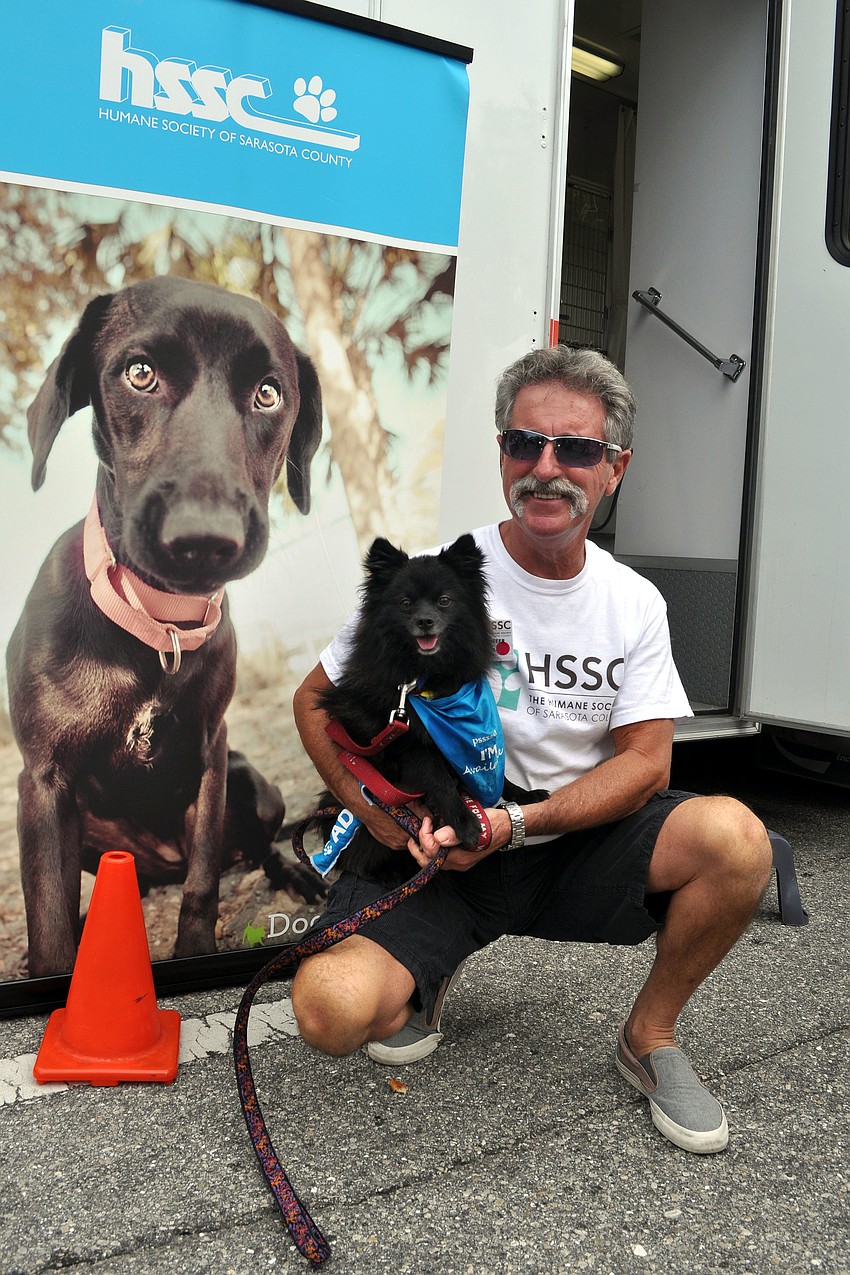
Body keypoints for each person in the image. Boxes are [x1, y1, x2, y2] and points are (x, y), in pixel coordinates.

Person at [291, 345, 772, 1155]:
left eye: (576, 449)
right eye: (525, 443)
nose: (546, 468)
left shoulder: (633, 602)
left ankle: (649, 1037)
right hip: (439, 850)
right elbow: (311, 699)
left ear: (615, 468)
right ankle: (429, 969)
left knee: (737, 840)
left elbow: (649, 764)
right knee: (329, 1010)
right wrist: (372, 813)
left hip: (568, 841)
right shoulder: (434, 576)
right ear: (503, 455)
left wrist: (517, 825)